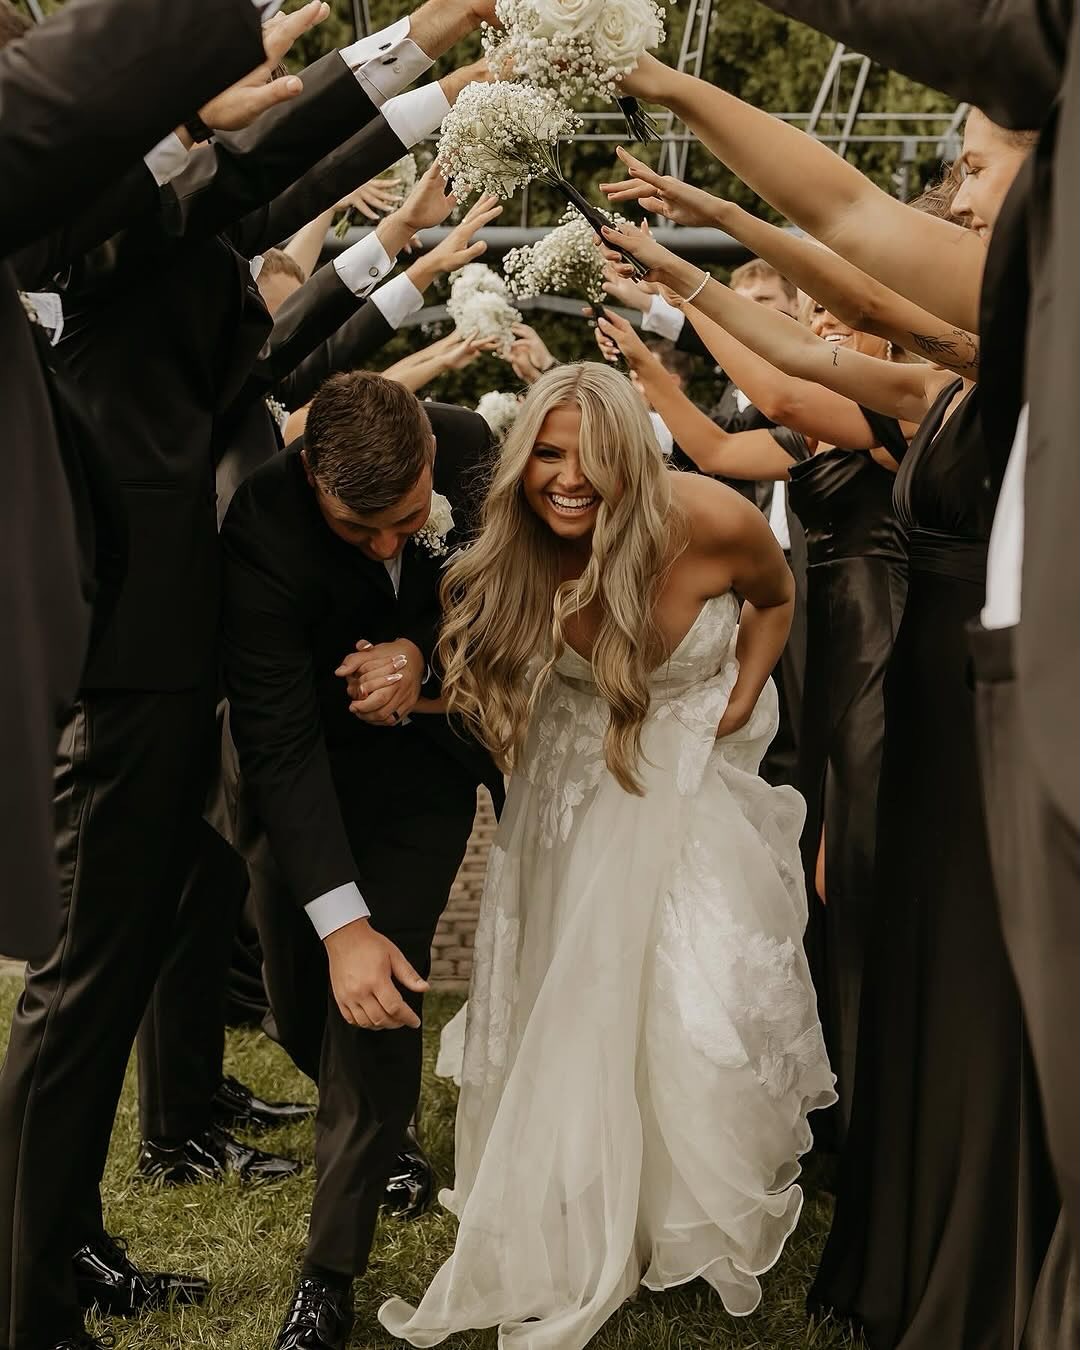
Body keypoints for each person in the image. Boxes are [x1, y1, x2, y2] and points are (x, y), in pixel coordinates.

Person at [378, 361, 835, 1350]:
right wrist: (411, 669)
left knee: (694, 986)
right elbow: (455, 660)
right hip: (573, 785)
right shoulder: (517, 552)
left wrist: (749, 693)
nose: (566, 477)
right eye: (545, 453)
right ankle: (590, 1203)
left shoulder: (710, 520)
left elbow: (776, 596)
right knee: (580, 992)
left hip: (691, 775)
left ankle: (684, 1200)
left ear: (630, 452)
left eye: (588, 453)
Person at [221, 371, 503, 1349]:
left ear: (430, 460)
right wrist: (334, 926)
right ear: (309, 479)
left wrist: (424, 656)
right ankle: (382, 1127)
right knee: (301, 990)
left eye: (405, 521)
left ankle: (326, 1278)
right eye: (360, 531)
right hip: (304, 771)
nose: (389, 545)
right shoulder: (259, 519)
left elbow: (511, 601)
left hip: (423, 774)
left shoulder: (472, 449)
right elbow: (276, 734)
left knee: (379, 990)